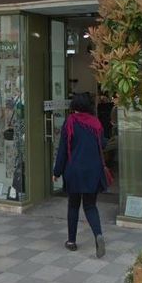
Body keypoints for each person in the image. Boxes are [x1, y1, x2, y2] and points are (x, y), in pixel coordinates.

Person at [53, 92, 109, 257]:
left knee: (73, 205)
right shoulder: (96, 123)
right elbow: (102, 143)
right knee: (90, 206)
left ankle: (71, 241)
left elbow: (63, 149)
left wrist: (57, 172)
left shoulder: (70, 122)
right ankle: (98, 235)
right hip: (93, 171)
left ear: (74, 106)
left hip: (74, 171)